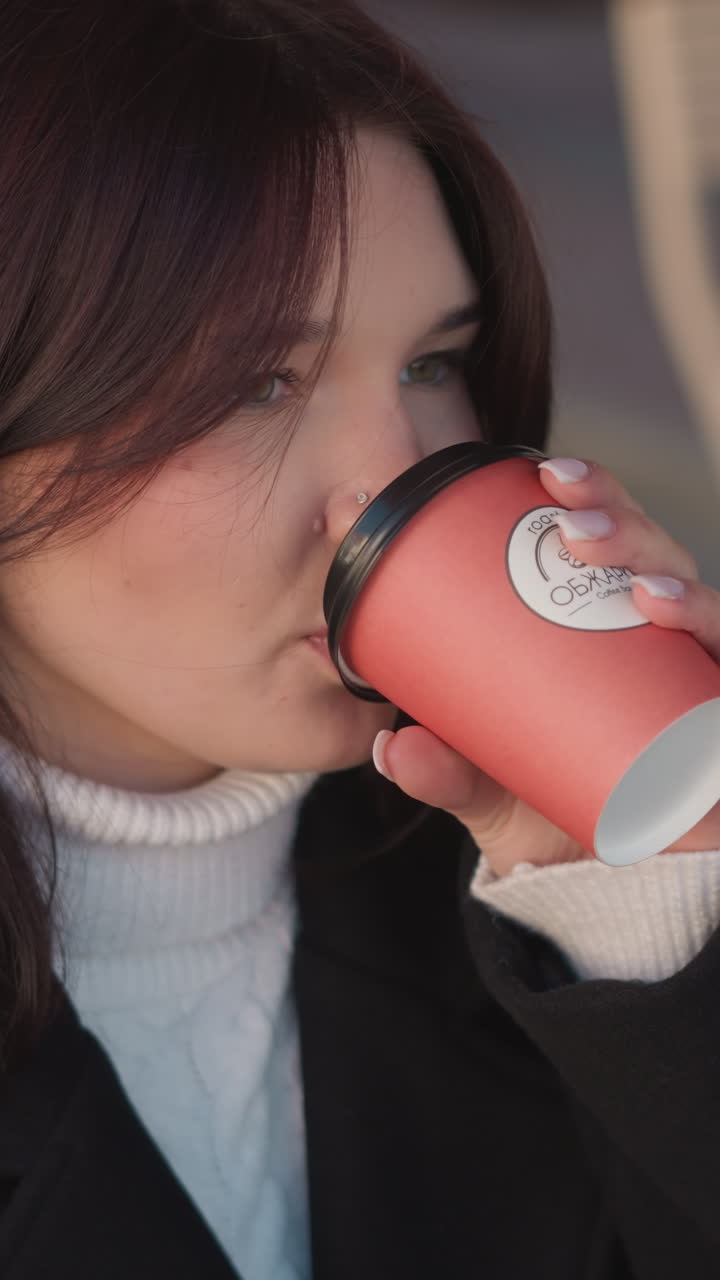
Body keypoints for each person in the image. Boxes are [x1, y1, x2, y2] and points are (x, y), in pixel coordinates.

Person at [0, 0, 718, 1276]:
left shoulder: (514, 918)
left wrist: (655, 891)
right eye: (256, 386)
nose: (398, 484)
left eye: (435, 363)